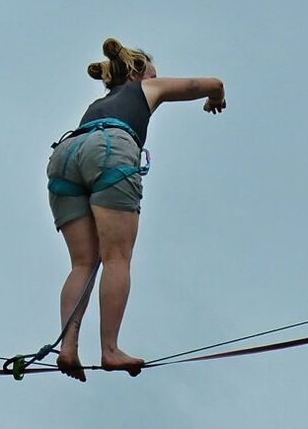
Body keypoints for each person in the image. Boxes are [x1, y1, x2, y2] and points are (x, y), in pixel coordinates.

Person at [46, 36, 226, 380]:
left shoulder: (97, 103)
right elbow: (212, 84)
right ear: (138, 72)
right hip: (110, 145)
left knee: (82, 263)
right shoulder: (146, 87)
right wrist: (215, 98)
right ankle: (109, 349)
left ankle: (67, 349)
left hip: (66, 152)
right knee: (117, 257)